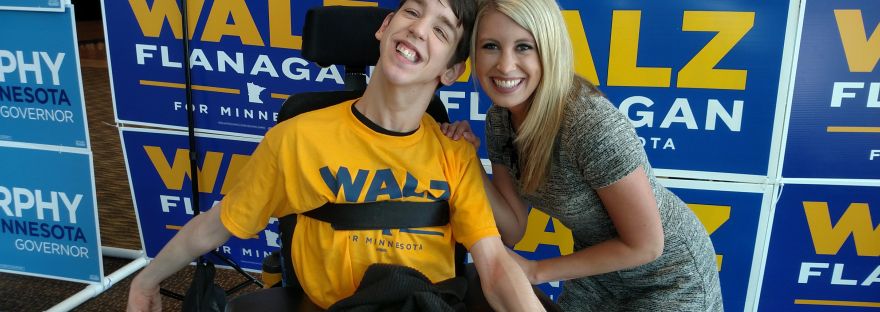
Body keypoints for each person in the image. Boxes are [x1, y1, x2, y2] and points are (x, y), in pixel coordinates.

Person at [126, 0, 545, 311]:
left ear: (450, 72)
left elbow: (492, 264)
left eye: (441, 31)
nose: (419, 29)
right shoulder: (296, 139)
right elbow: (218, 224)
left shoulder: (454, 150)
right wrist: (146, 281)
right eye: (413, 13)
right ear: (385, 27)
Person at [442, 0, 724, 310]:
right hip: (599, 270)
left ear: (549, 51)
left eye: (524, 47)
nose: (505, 65)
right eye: (491, 46)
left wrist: (537, 271)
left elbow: (647, 245)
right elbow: (513, 229)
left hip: (669, 276)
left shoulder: (589, 121)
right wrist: (468, 160)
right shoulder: (499, 121)